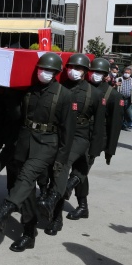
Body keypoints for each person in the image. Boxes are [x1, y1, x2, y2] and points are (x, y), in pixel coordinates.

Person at [0, 53, 76, 252]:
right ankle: (28, 232)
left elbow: (67, 132)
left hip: (47, 145)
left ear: (57, 73)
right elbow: (18, 117)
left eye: (50, 70)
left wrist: (61, 160)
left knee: (26, 177)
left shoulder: (64, 95)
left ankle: (4, 211)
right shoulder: (29, 91)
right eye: (42, 69)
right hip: (25, 142)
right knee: (25, 190)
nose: (45, 73)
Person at [37, 53, 105, 235]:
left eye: (79, 68)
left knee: (61, 166)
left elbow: (98, 125)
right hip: (59, 134)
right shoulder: (59, 88)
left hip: (80, 137)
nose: (74, 71)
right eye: (71, 67)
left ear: (84, 71)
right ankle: (54, 202)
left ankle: (56, 216)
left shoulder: (95, 93)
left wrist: (95, 150)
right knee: (55, 171)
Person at [65, 57, 123, 221]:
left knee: (81, 170)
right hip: (79, 134)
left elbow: (115, 126)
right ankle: (83, 206)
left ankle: (66, 188)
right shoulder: (84, 88)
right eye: (93, 71)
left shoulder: (113, 96)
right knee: (80, 168)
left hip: (96, 139)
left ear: (105, 74)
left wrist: (109, 151)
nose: (95, 75)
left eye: (99, 72)